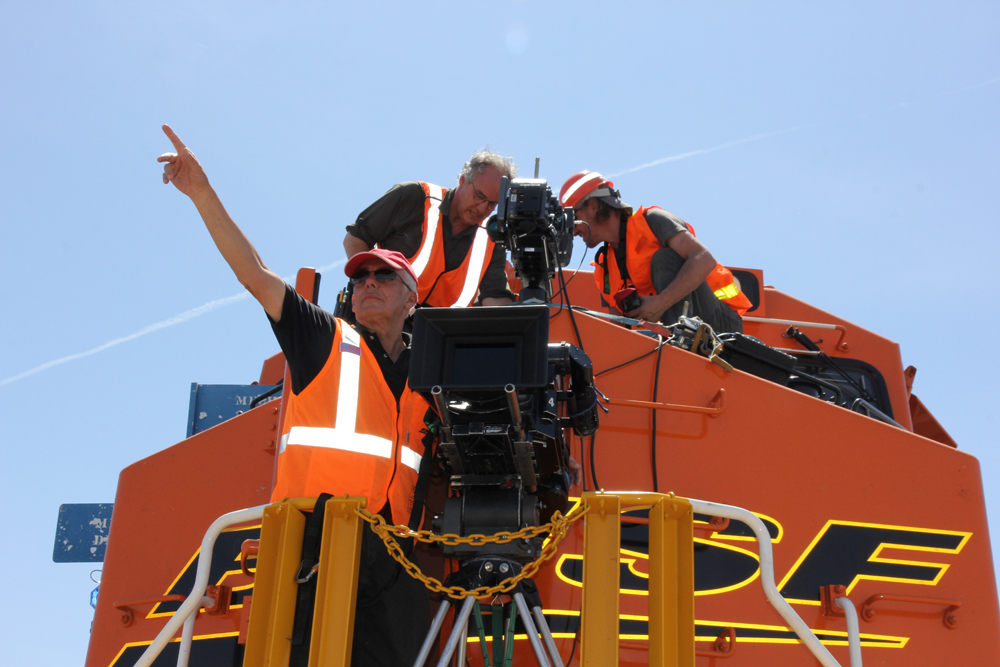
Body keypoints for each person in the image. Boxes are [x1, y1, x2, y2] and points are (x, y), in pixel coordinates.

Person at [157, 125, 430, 666]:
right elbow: (255, 275)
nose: (368, 282)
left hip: (397, 556)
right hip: (316, 540)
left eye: (383, 274)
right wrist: (202, 193)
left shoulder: (431, 368)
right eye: (360, 277)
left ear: (412, 298)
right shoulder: (324, 338)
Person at [560, 171, 750, 333]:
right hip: (676, 334)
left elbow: (703, 259)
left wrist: (659, 304)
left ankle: (681, 343)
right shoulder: (604, 269)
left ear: (593, 206)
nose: (573, 230)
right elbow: (618, 327)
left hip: (722, 326)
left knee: (664, 259)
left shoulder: (652, 221)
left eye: (574, 218)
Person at [344, 150, 518, 308]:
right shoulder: (413, 197)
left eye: (492, 204)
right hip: (385, 318)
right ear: (463, 180)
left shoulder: (491, 238)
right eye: (479, 196)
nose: (481, 209)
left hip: (441, 333)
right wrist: (368, 286)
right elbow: (356, 239)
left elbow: (495, 299)